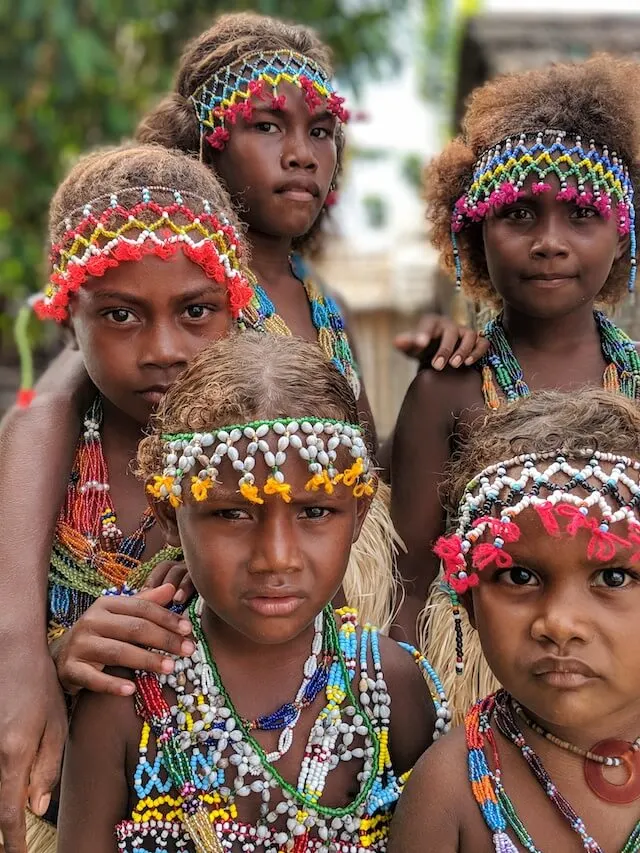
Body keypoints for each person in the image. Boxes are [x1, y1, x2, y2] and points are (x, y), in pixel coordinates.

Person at [57, 332, 449, 853]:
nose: (276, 557)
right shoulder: (128, 698)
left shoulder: (391, 686)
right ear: (171, 516)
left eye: (314, 512)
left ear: (358, 514)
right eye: (231, 514)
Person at [0, 142, 257, 853]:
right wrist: (57, 663)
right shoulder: (39, 472)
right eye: (120, 316)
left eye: (196, 310)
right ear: (66, 319)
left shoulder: (279, 465)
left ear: (235, 306)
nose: (164, 348)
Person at [391, 56, 640, 686]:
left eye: (582, 214)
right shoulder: (448, 387)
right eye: (519, 213)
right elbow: (409, 586)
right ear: (472, 235)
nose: (549, 241)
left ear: (623, 234)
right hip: (477, 688)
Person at [389, 388, 640, 852]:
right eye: (519, 576)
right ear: (468, 599)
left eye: (614, 576)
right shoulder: (448, 792)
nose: (560, 623)